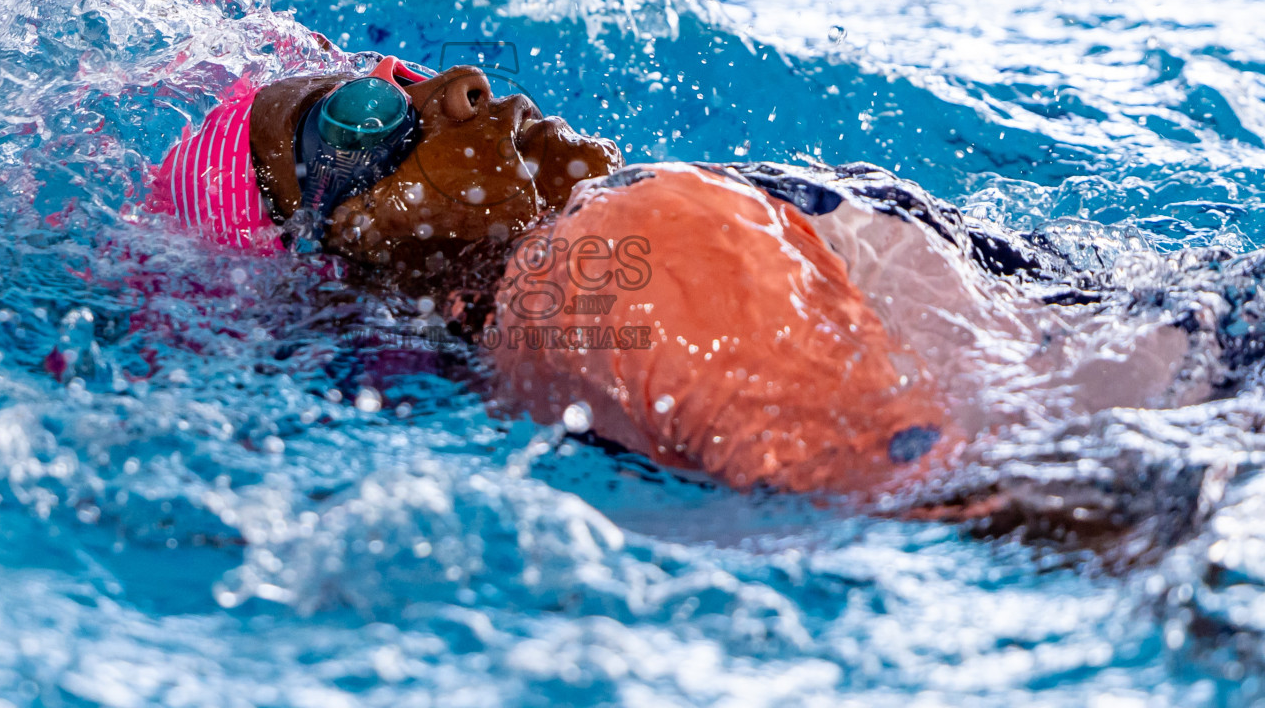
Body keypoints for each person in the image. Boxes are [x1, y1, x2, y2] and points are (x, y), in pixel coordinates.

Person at [143, 48, 1257, 507]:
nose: (461, 87)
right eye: (365, 119)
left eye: (408, 75)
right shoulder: (598, 257)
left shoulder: (554, 333)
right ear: (346, 267)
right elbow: (926, 483)